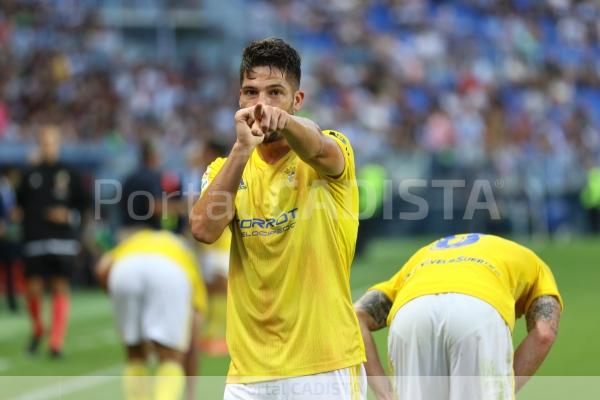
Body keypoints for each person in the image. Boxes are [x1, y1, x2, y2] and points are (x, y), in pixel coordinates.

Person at [189, 38, 366, 399]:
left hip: (325, 365)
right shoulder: (226, 169)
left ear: (296, 101)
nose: (261, 104)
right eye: (250, 92)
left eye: (275, 93)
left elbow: (317, 146)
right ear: (239, 98)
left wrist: (283, 124)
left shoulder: (331, 149)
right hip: (249, 374)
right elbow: (204, 229)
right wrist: (241, 149)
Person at [354, 233, 563, 400]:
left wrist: (383, 392)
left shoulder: (423, 256)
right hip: (477, 312)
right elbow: (544, 333)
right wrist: (500, 387)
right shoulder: (534, 264)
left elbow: (357, 315)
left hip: (411, 315)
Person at [95, 229, 207, 400]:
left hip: (124, 268)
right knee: (170, 356)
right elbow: (193, 332)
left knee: (135, 354)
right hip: (169, 270)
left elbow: (102, 269)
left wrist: (116, 299)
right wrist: (191, 394)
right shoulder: (184, 252)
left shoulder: (136, 239)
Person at [17, 125, 87, 357]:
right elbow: (18, 205)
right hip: (35, 239)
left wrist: (70, 216)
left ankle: (55, 343)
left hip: (63, 241)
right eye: (44, 141)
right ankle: (38, 328)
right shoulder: (29, 174)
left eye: (51, 141)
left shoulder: (70, 174)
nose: (48, 146)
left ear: (58, 143)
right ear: (39, 144)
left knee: (60, 286)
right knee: (33, 289)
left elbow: (84, 206)